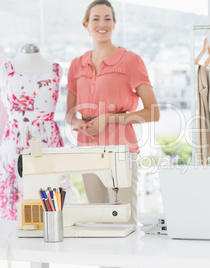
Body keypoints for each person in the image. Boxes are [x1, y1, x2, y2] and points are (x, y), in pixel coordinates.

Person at [65, 0, 160, 224]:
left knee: (123, 220)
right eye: (95, 19)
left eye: (108, 18)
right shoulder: (77, 65)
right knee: (99, 221)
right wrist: (76, 123)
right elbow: (69, 114)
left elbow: (153, 112)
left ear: (115, 24)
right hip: (88, 151)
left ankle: (128, 261)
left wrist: (108, 119)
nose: (102, 24)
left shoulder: (130, 61)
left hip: (121, 149)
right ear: (86, 24)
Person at [0, 44, 64, 220]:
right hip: (14, 140)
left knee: (49, 194)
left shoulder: (56, 69)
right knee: (16, 200)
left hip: (47, 138)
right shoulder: (4, 68)